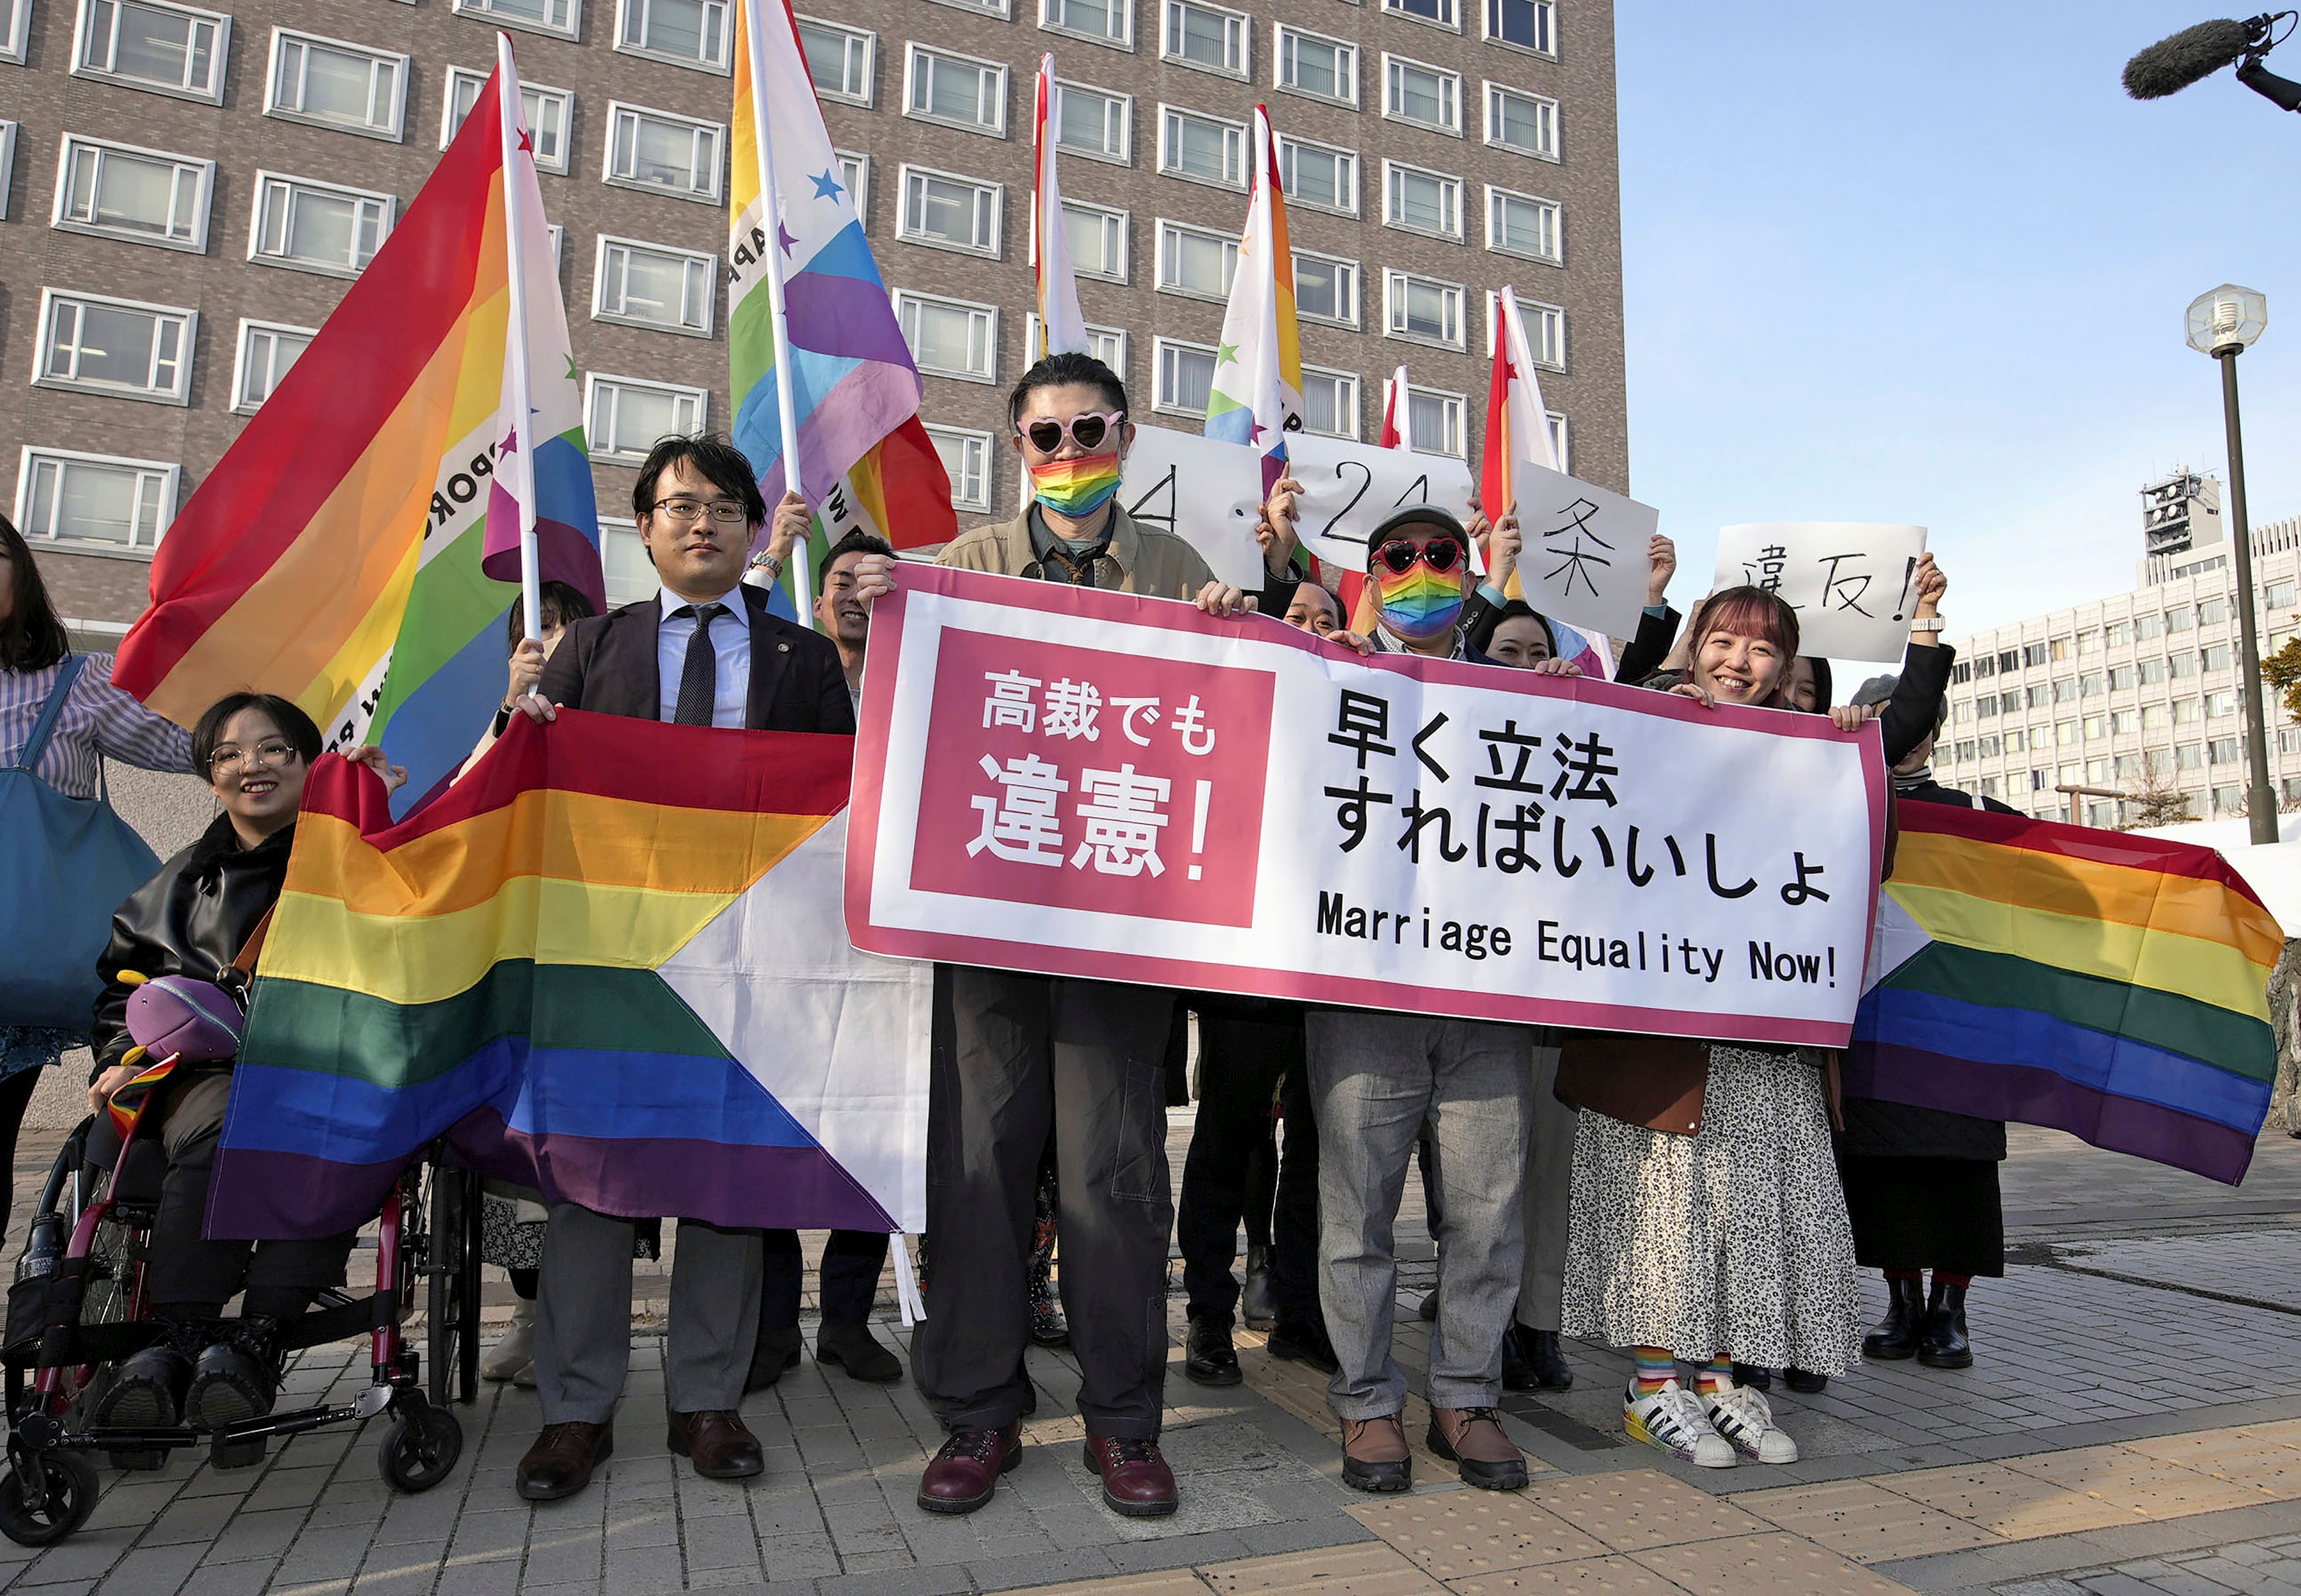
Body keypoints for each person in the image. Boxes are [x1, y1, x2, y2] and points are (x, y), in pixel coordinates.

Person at [846, 350, 1282, 1521]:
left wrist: (1239, 636)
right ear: (1017, 451)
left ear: (1127, 438)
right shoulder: (966, 567)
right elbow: (890, 694)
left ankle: (1123, 1422)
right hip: (984, 924)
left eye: (1090, 430)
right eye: (1046, 436)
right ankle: (979, 1416)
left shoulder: (1182, 570)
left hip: (1119, 934)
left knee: (1113, 1177)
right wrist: (861, 612)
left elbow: (1240, 724)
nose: (1070, 454)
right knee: (979, 1169)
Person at [506, 433, 852, 1503]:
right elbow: (525, 793)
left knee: (725, 1183)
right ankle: (577, 1411)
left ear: (753, 528)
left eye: (722, 506)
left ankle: (709, 1400)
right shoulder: (589, 647)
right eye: (676, 505)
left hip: (747, 961)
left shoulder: (800, 660)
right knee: (590, 1188)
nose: (700, 522)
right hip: (607, 958)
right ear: (645, 529)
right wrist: (516, 722)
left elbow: (842, 809)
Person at [1558, 586, 1876, 1470]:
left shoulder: (1815, 751)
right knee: (1667, 1209)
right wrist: (1654, 702)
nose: (1740, 662)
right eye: (1725, 642)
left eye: (1763, 651)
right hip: (1662, 1038)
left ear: (1787, 668)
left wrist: (1856, 735)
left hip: (1769, 1032)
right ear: (1696, 645)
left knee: (1753, 1209)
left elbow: (1860, 858)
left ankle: (1724, 1381)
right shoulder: (1650, 718)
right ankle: (1653, 1385)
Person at [1302, 504, 1549, 1497]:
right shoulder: (1320, 675)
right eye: (1395, 560)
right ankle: (1367, 1403)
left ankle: (1465, 1398)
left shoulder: (1528, 698)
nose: (1417, 573)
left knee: (1487, 1214)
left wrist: (1577, 708)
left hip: (1487, 996)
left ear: (1468, 571)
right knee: (1356, 1213)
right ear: (1371, 575)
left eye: (1437, 558)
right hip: (1362, 994)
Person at [87, 694, 399, 1437]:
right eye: (228, 753)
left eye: (273, 749)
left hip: (336, 1070)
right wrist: (118, 1059)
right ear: (209, 774)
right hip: (202, 1081)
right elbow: (118, 999)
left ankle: (257, 1340)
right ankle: (181, 1339)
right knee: (230, 1120)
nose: (250, 765)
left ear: (308, 761)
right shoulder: (172, 888)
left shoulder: (360, 854)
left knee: (341, 1130)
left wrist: (378, 813)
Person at [0, 513, 195, 1246]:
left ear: (23, 572)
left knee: (121, 1124)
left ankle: (106, 1278)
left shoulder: (75, 683)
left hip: (44, 963)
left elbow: (196, 747)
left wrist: (307, 739)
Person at [1837, 556, 2008, 1375]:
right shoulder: (1843, 802)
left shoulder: (1983, 818)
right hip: (1872, 1020)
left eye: (1913, 720)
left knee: (1959, 1180)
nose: (1906, 734)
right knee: (1883, 1177)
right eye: (1882, 715)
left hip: (1959, 1024)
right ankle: (1901, 1306)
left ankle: (1952, 1313)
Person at [746, 528, 906, 1391]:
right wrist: (771, 554)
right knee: (771, 1136)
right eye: (837, 579)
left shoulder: (918, 676)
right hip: (780, 933)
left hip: (878, 943)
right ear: (815, 599)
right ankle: (771, 1328)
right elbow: (733, 628)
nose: (852, 592)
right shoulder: (783, 671)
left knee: (868, 1132)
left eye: (868, 580)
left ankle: (847, 1319)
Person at [467, 582, 598, 1391]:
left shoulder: (624, 714)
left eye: (557, 626)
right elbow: (465, 810)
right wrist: (511, 714)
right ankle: (527, 1310)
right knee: (515, 1150)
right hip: (518, 973)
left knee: (593, 1155)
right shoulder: (500, 724)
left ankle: (585, 1317)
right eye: (530, 629)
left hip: (602, 964)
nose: (545, 640)